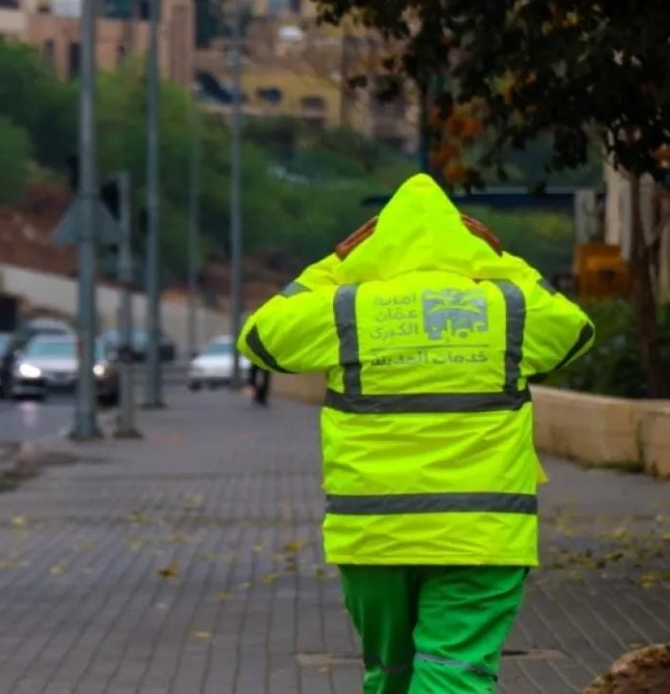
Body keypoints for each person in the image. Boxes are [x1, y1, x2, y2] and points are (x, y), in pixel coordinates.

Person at [237, 174, 594, 694]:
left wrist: (335, 264)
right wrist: (499, 261)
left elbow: (260, 337)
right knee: (454, 674)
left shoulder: (347, 307)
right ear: (466, 243)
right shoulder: (507, 305)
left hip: (374, 537)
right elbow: (576, 330)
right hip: (482, 536)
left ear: (377, 245)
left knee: (390, 677)